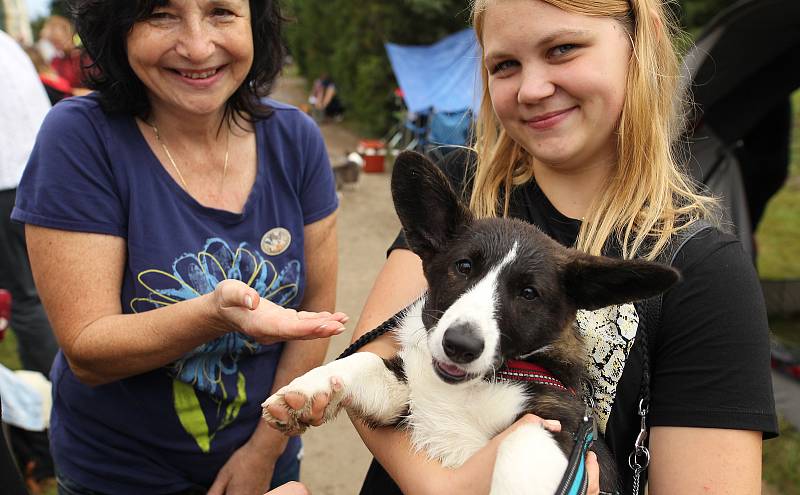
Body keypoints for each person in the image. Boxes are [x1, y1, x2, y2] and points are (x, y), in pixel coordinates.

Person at [266, 0, 778, 494]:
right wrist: (446, 488)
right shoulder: (460, 187)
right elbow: (382, 358)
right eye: (505, 64)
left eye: (562, 49)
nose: (532, 88)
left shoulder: (707, 269)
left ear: (640, 44)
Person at [11, 1, 347, 494]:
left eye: (221, 13)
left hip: (265, 453)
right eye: (160, 14)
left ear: (255, 21)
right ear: (118, 27)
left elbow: (314, 316)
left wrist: (263, 450)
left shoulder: (295, 139)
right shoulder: (80, 139)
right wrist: (215, 313)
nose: (197, 46)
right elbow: (88, 351)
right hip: (120, 472)